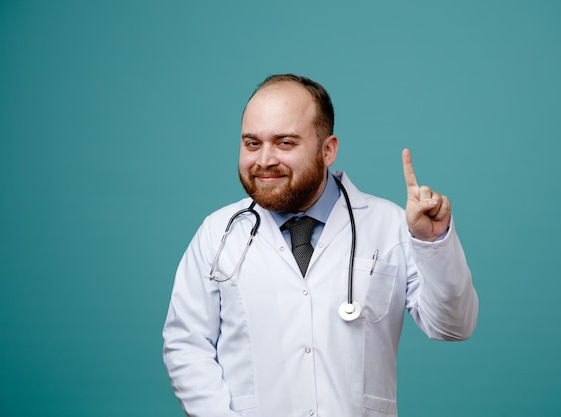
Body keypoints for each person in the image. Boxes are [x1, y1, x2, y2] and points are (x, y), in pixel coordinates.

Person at [162, 73, 479, 417]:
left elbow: (453, 326)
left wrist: (432, 241)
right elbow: (186, 345)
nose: (264, 160)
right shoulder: (217, 233)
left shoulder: (390, 225)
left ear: (327, 150)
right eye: (252, 143)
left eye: (285, 143)